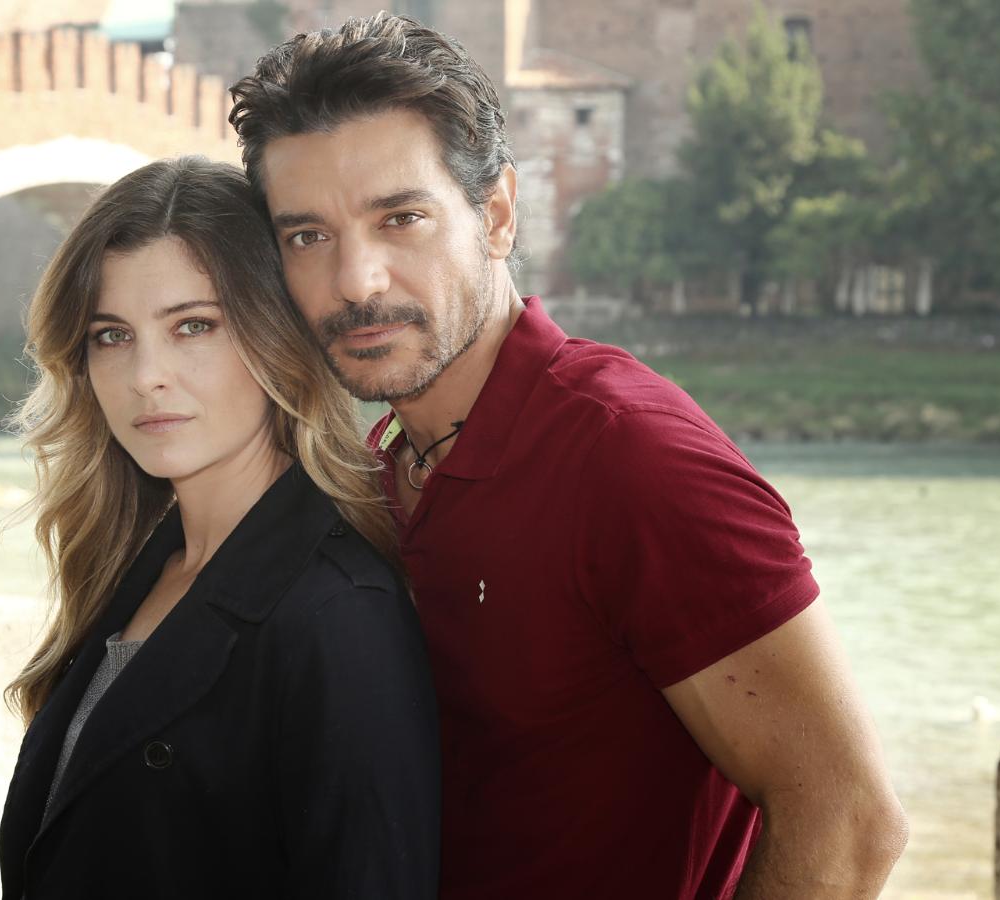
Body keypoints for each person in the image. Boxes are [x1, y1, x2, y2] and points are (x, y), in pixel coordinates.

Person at [230, 12, 908, 900]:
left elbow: (849, 822)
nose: (355, 280)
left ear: (497, 214)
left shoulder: (631, 456)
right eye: (308, 236)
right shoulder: (379, 468)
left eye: (401, 219)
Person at [0, 156, 440, 900]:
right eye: (112, 336)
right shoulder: (136, 567)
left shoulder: (339, 616)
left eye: (193, 326)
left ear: (276, 335)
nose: (146, 375)